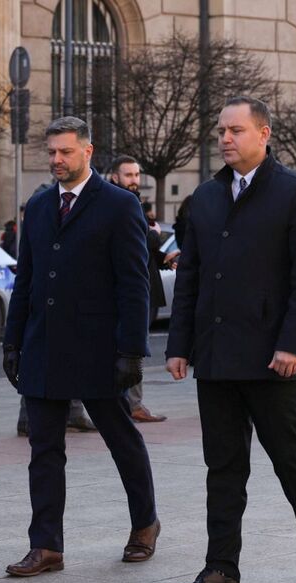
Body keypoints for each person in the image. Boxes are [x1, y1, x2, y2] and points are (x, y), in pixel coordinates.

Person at [165, 97, 296, 583]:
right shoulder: (206, 197)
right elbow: (191, 276)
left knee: (288, 457)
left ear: (263, 134)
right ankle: (221, 570)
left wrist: (292, 347)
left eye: (236, 130)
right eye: (221, 130)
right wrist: (180, 346)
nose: (224, 138)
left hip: (272, 359)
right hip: (217, 357)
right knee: (222, 467)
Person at [2, 116, 160, 576]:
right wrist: (13, 342)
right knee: (44, 449)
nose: (56, 160)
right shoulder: (39, 206)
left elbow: (134, 284)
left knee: (122, 441)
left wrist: (131, 351)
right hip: (44, 348)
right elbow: (26, 280)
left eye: (65, 152)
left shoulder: (118, 205)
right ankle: (46, 545)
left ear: (88, 152)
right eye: (51, 152)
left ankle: (144, 525)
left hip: (99, 350)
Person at [108, 154, 171, 423]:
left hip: (143, 282)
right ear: (115, 177)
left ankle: (131, 403)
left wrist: (161, 254)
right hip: (130, 289)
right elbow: (138, 239)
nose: (135, 180)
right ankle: (131, 405)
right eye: (129, 175)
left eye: (136, 175)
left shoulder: (134, 202)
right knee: (132, 347)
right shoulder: (119, 203)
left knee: (134, 347)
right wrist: (155, 236)